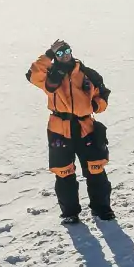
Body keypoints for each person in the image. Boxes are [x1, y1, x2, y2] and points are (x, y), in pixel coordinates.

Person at [27, 40, 114, 223]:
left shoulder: (87, 74)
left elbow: (103, 95)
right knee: (64, 172)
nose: (64, 55)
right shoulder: (50, 77)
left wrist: (96, 105)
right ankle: (70, 213)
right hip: (59, 128)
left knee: (95, 168)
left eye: (67, 51)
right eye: (59, 53)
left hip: (86, 127)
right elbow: (34, 74)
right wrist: (49, 54)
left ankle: (102, 208)